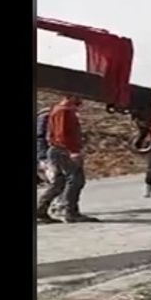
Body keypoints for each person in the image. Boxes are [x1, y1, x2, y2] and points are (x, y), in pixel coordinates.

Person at [36, 94, 98, 223]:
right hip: (63, 150)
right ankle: (69, 212)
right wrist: (73, 152)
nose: (81, 100)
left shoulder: (62, 110)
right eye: (78, 97)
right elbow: (61, 135)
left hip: (58, 150)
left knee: (59, 183)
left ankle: (40, 210)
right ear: (70, 97)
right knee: (76, 180)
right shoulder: (63, 111)